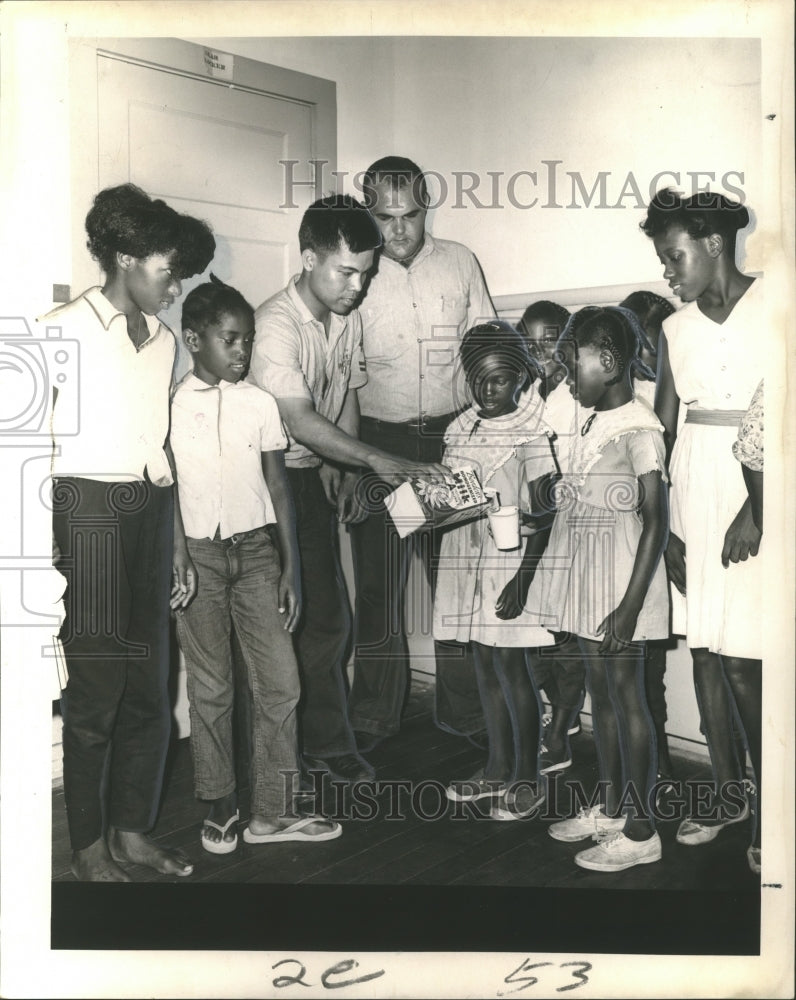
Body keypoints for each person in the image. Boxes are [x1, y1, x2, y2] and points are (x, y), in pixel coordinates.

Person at [249, 194, 448, 785]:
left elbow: (349, 393)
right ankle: (288, 757)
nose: (358, 286)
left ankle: (325, 746)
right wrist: (374, 461)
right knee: (289, 622)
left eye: (366, 273)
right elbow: (299, 416)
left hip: (312, 473)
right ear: (309, 258)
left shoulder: (347, 314)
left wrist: (345, 464)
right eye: (347, 272)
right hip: (266, 482)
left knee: (330, 619)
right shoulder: (273, 325)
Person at [47, 183, 215, 881]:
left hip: (149, 513)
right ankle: (89, 848)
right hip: (85, 514)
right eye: (166, 269)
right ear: (123, 257)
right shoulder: (59, 327)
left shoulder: (165, 342)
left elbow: (161, 445)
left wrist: (174, 543)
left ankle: (132, 830)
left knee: (150, 685)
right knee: (95, 693)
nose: (175, 286)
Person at [170, 277, 342, 853]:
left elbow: (279, 485)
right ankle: (221, 803)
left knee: (281, 683)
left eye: (247, 340)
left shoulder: (261, 403)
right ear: (194, 340)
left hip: (259, 556)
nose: (243, 352)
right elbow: (167, 489)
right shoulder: (171, 406)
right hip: (199, 558)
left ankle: (272, 811)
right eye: (230, 340)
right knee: (212, 687)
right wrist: (177, 556)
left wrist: (291, 567)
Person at [349, 156, 496, 752]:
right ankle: (375, 716)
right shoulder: (355, 273)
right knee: (380, 585)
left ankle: (464, 713)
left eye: (410, 214)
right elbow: (345, 375)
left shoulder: (459, 262)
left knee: (455, 582)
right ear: (368, 212)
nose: (400, 230)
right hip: (381, 446)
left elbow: (488, 348)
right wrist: (350, 460)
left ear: (426, 204)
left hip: (449, 443)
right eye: (385, 217)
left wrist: (489, 445)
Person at [641, 189, 763, 874]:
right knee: (708, 652)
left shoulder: (780, 305)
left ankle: (777, 807)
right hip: (695, 483)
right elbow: (660, 431)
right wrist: (667, 528)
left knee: (748, 658)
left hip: (761, 484)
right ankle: (726, 793)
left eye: (674, 256)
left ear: (713, 242)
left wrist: (761, 509)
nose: (668, 271)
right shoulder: (675, 329)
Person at [540, 306, 669, 872]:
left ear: (610, 362)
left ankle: (642, 830)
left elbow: (657, 522)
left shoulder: (640, 427)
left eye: (575, 366)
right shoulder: (592, 419)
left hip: (622, 582)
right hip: (589, 575)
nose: (569, 378)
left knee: (627, 695)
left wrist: (630, 606)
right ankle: (614, 808)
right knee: (602, 693)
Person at [434, 322, 558, 819]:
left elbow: (548, 510)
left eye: (500, 380)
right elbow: (450, 494)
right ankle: (496, 765)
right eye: (479, 379)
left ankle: (528, 774)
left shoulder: (531, 431)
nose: (489, 390)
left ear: (521, 378)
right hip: (464, 558)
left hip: (508, 564)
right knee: (483, 663)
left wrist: (525, 576)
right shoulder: (460, 427)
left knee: (511, 666)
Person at [517, 299, 586, 774]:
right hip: (532, 525)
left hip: (567, 526)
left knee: (565, 635)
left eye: (551, 340)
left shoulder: (580, 397)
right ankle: (552, 710)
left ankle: (560, 727)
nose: (542, 351)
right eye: (532, 342)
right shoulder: (523, 395)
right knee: (535, 629)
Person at [618, 291, 678, 784]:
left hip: (672, 531)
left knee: (657, 664)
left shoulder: (677, 395)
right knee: (640, 667)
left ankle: (658, 770)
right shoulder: (626, 401)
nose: (646, 357)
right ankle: (651, 769)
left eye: (652, 346)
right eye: (638, 346)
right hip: (633, 546)